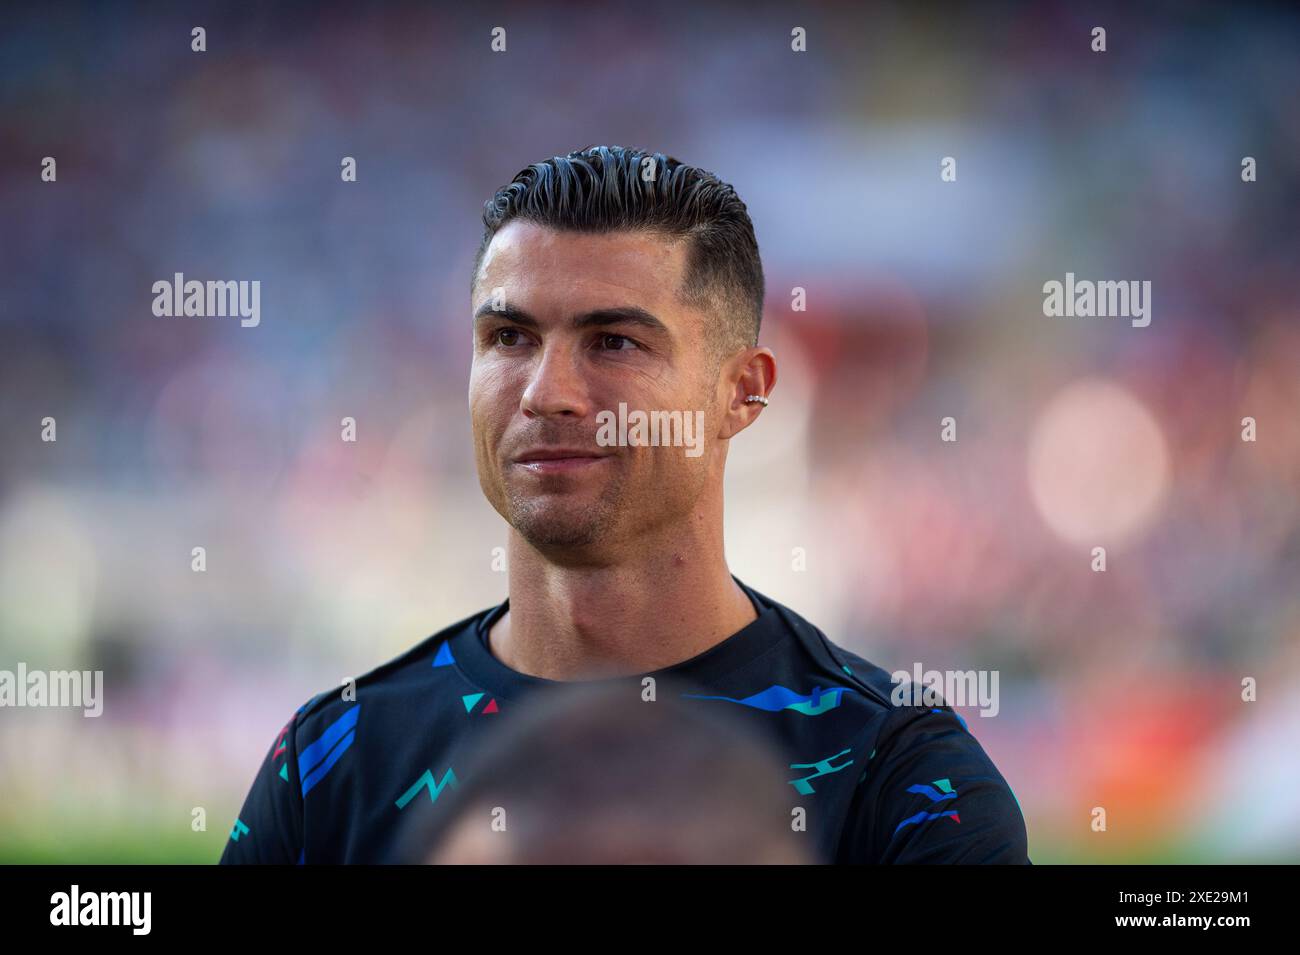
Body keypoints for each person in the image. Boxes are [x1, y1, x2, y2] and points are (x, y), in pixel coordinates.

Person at [220, 145, 1030, 865]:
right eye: (509, 338)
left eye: (613, 341)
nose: (547, 392)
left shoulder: (898, 774)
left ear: (741, 393)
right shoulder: (333, 759)